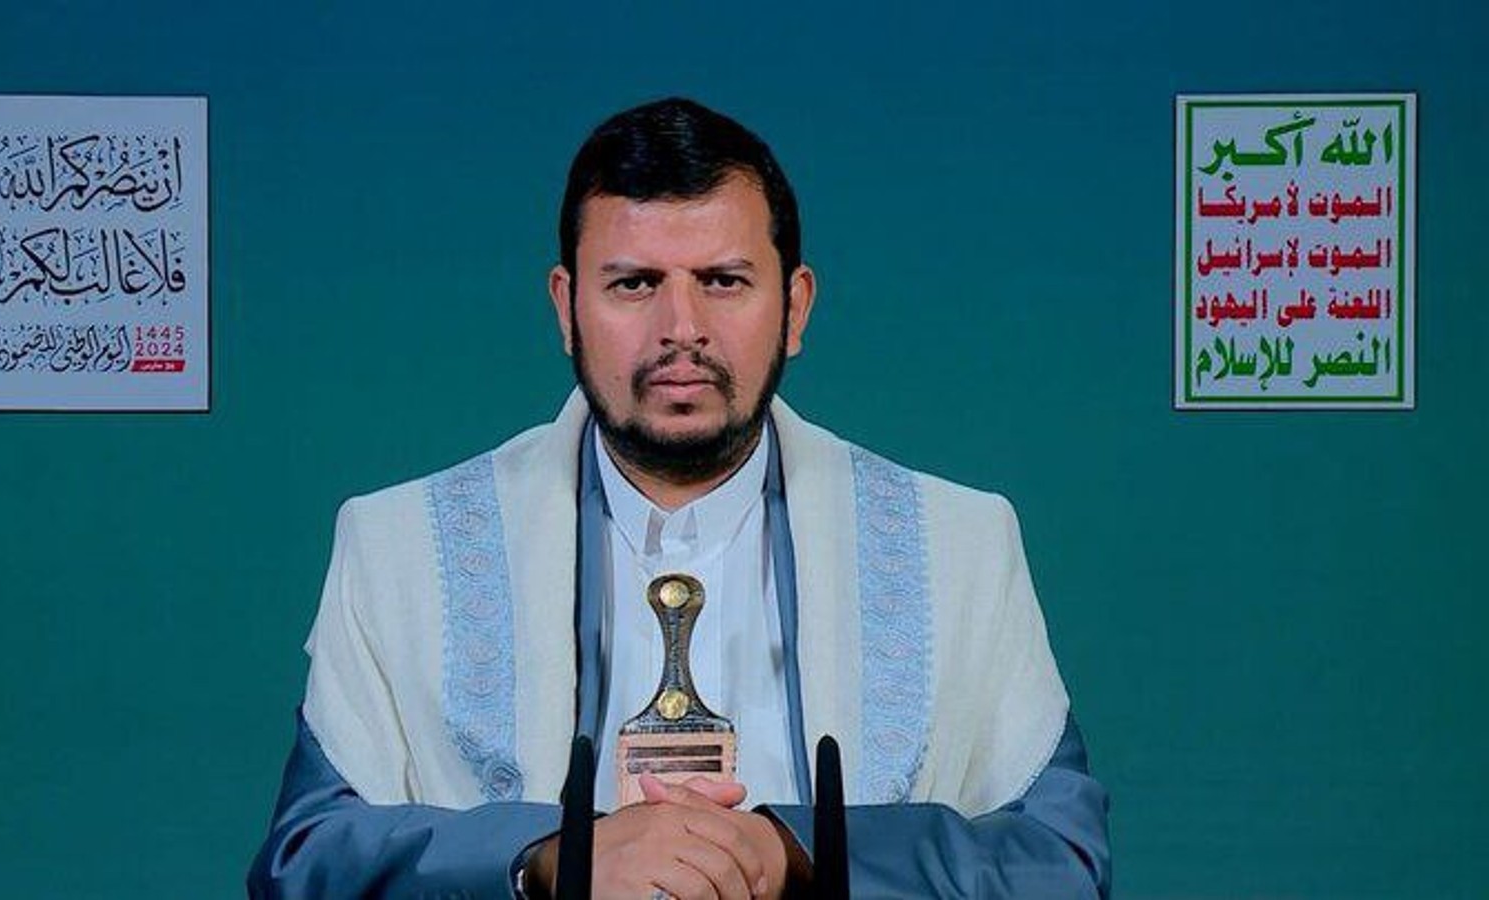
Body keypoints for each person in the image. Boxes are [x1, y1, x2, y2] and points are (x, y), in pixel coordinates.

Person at [248, 97, 1111, 899]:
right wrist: (550, 854)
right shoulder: (397, 546)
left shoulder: (959, 543)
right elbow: (306, 859)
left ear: (795, 307)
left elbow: (1060, 860)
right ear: (566, 307)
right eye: (634, 283)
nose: (681, 329)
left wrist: (796, 849)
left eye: (723, 281)